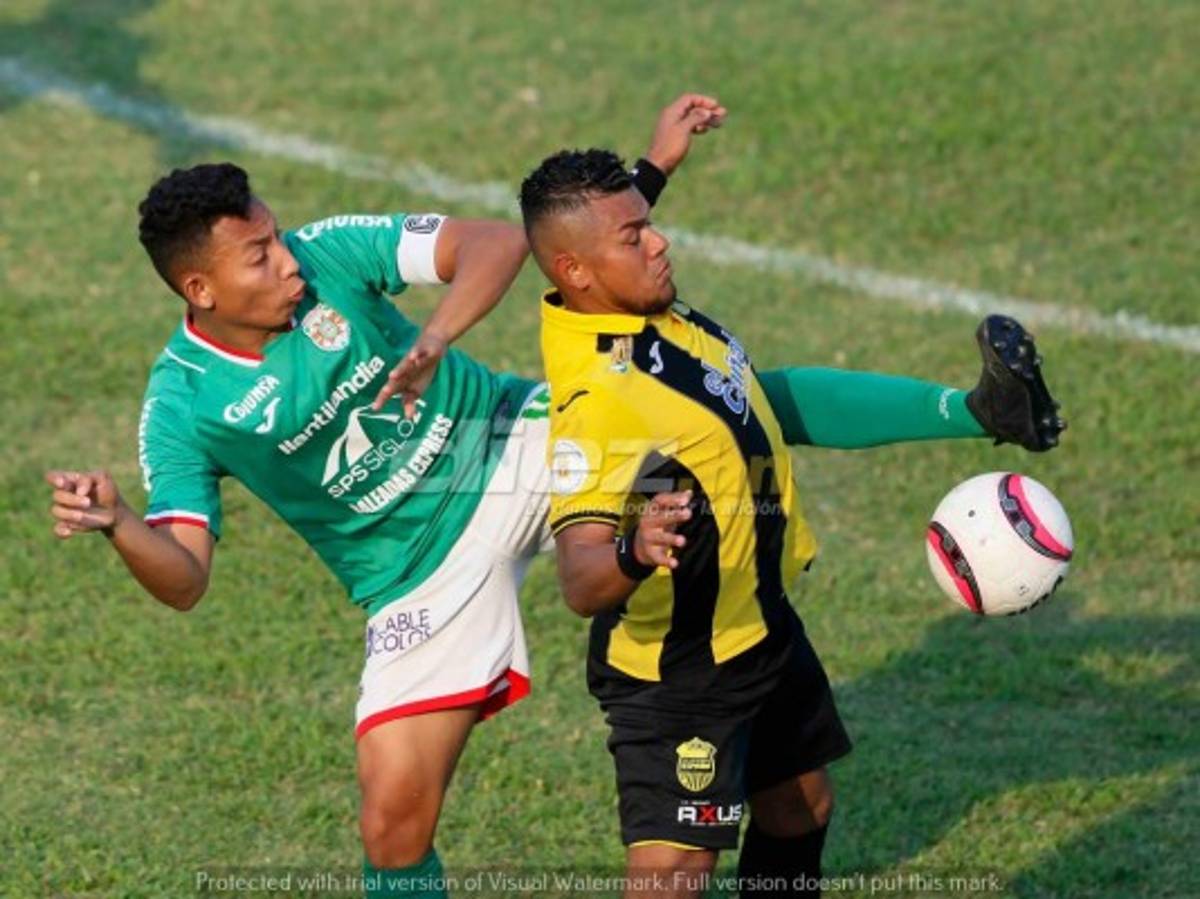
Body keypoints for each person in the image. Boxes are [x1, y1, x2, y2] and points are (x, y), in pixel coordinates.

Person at [42, 96, 727, 899]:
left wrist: (433, 339)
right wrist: (121, 522)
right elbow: (186, 577)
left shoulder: (328, 251)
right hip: (415, 576)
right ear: (200, 287)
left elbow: (496, 244)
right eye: (258, 256)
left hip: (508, 440)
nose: (287, 261)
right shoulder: (183, 405)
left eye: (275, 236)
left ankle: (727, 743)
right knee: (391, 827)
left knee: (690, 422)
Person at [518, 148, 1063, 897]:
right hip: (682, 674)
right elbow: (580, 578)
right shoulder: (600, 401)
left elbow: (775, 401)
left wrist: (966, 413)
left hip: (759, 626)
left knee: (799, 807)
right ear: (575, 272)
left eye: (649, 224)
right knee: (675, 873)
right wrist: (634, 546)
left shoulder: (653, 317)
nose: (659, 241)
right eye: (635, 237)